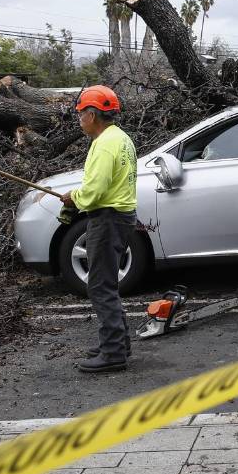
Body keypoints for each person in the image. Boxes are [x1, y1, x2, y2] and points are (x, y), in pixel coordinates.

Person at [61, 85, 138, 374]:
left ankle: (114, 352)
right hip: (118, 217)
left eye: (81, 113)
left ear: (92, 115)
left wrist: (73, 197)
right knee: (107, 283)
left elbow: (94, 192)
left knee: (100, 286)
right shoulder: (119, 138)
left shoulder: (105, 144)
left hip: (108, 219)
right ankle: (117, 342)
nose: (79, 119)